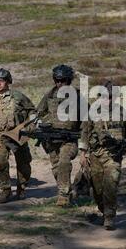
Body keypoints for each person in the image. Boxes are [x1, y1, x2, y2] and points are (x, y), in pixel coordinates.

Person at [79, 81, 126, 230]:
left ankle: (109, 215)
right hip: (95, 155)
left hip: (113, 155)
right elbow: (84, 133)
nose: (108, 100)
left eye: (111, 97)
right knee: (98, 189)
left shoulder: (123, 113)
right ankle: (103, 208)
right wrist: (82, 153)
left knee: (111, 184)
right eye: (105, 96)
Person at [0, 68, 36, 203]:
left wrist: (30, 127)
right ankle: (5, 190)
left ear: (8, 82)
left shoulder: (18, 96)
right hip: (1, 135)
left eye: (2, 81)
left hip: (18, 134)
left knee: (23, 162)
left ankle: (21, 188)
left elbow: (32, 111)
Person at [35, 64, 82, 207]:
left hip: (69, 139)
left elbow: (88, 119)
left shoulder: (77, 97)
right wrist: (41, 124)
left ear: (69, 80)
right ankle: (68, 191)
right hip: (52, 138)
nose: (59, 83)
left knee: (64, 162)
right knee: (56, 167)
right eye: (56, 80)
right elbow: (38, 112)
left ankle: (63, 196)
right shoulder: (50, 95)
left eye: (63, 81)